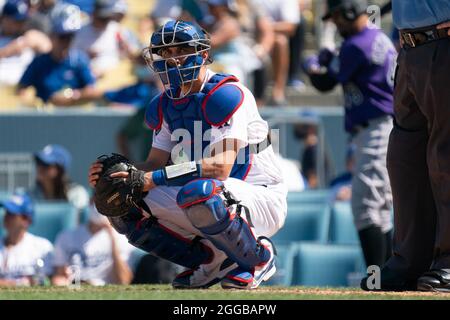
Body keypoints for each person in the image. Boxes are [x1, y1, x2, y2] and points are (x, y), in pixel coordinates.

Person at [88, 20, 287, 290]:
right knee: (123, 200)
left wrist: (151, 178)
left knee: (201, 191)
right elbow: (154, 164)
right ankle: (210, 261)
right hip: (212, 193)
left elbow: (220, 168)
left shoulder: (227, 94)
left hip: (260, 196)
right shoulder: (165, 103)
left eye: (180, 50)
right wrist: (118, 171)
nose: (173, 60)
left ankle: (258, 258)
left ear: (202, 54)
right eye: (166, 53)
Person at [361, 1, 450, 292]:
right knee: (404, 160)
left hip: (443, 42)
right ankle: (411, 262)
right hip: (411, 47)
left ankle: (448, 261)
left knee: (445, 159)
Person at [304, 0, 395, 271]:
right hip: (381, 126)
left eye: (338, 18)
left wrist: (312, 64)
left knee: (365, 205)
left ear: (351, 12)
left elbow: (325, 82)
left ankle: (377, 277)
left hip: (376, 127)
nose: (336, 24)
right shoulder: (374, 37)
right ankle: (387, 276)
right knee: (379, 208)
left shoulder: (357, 45)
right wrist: (327, 56)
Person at [17, 3, 98, 107]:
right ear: (52, 36)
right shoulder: (39, 62)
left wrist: (72, 97)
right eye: (62, 37)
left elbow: (92, 90)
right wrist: (31, 101)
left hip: (73, 115)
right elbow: (22, 88)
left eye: (70, 37)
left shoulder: (79, 61)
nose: (66, 42)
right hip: (44, 117)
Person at [51, 203, 134, 286]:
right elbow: (59, 276)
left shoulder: (122, 238)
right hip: (75, 288)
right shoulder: (66, 237)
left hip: (104, 290)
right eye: (94, 200)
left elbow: (124, 280)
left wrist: (112, 239)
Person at [0, 191, 54, 286]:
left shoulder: (42, 246)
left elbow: (47, 281)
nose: (6, 217)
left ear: (26, 220)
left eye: (12, 214)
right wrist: (17, 283)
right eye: (6, 213)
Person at [29, 144, 90, 224]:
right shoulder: (32, 195)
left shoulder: (76, 193)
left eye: (45, 164)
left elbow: (81, 225)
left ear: (59, 169)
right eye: (38, 163)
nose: (40, 168)